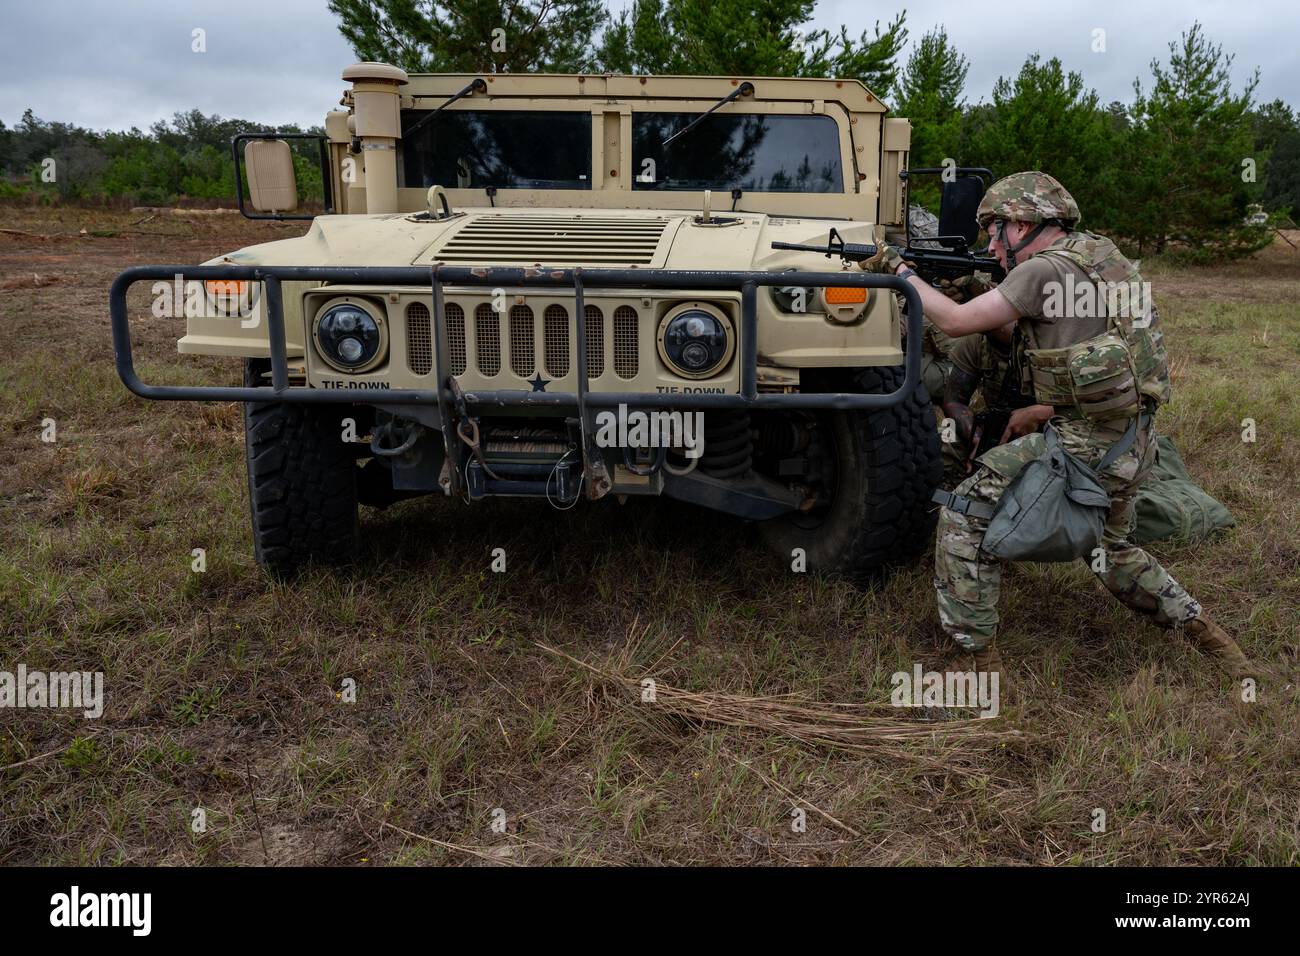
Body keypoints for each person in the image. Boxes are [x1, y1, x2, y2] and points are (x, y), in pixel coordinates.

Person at [861, 171, 1255, 679]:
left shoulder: (1042, 270)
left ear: (1021, 222)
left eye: (993, 230)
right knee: (1109, 550)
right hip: (1134, 442)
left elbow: (956, 323)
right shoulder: (1107, 259)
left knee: (962, 515)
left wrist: (899, 271)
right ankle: (1216, 642)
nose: (991, 247)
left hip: (1083, 445)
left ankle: (976, 658)